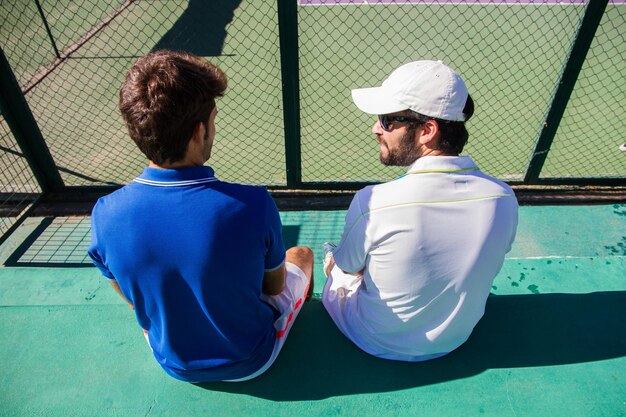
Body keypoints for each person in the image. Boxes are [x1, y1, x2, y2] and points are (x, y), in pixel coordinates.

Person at [88, 50, 314, 382]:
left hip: (172, 363)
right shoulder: (253, 204)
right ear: (198, 132)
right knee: (302, 255)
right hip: (252, 359)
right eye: (213, 119)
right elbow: (274, 285)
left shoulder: (104, 213)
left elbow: (132, 298)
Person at [322, 60, 518, 362]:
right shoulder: (504, 196)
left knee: (333, 263)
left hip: (374, 339)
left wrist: (339, 264)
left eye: (388, 120)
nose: (376, 128)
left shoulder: (373, 201)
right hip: (457, 338)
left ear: (427, 130)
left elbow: (348, 268)